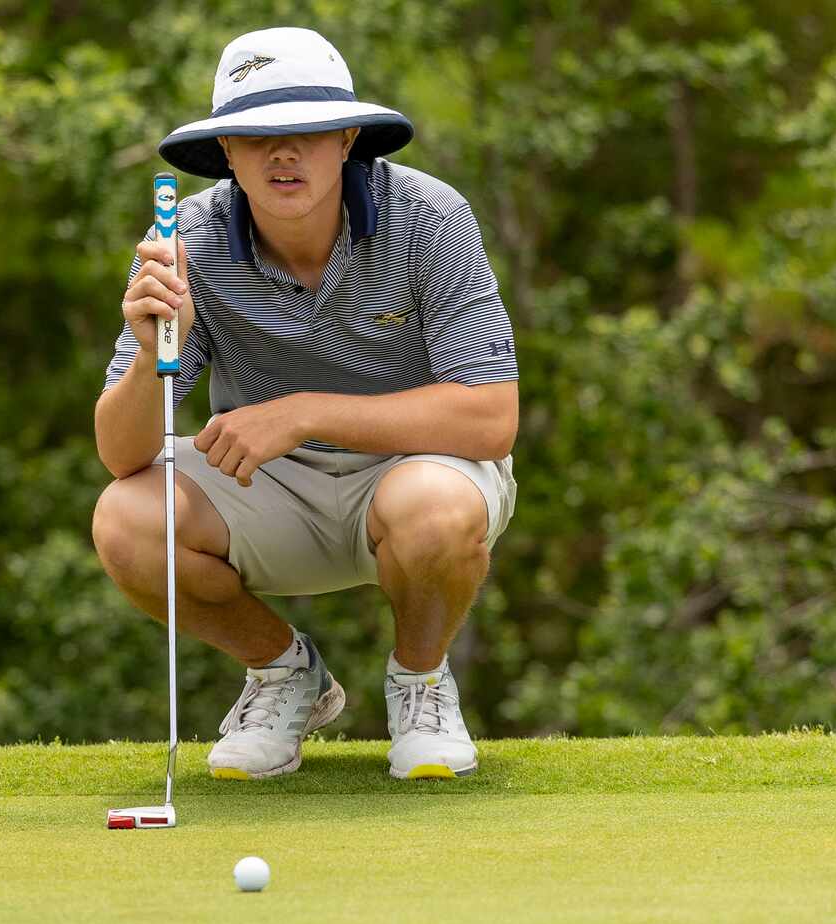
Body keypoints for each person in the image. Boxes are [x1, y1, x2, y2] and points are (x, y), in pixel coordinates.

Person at [92, 27, 519, 781]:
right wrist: (154, 341)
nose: (282, 153)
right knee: (125, 521)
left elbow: (489, 418)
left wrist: (305, 412)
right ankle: (286, 677)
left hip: (418, 473)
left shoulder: (430, 217)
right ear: (226, 151)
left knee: (433, 510)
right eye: (256, 136)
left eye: (306, 133)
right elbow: (121, 453)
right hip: (269, 489)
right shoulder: (185, 237)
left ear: (347, 137)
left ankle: (418, 684)